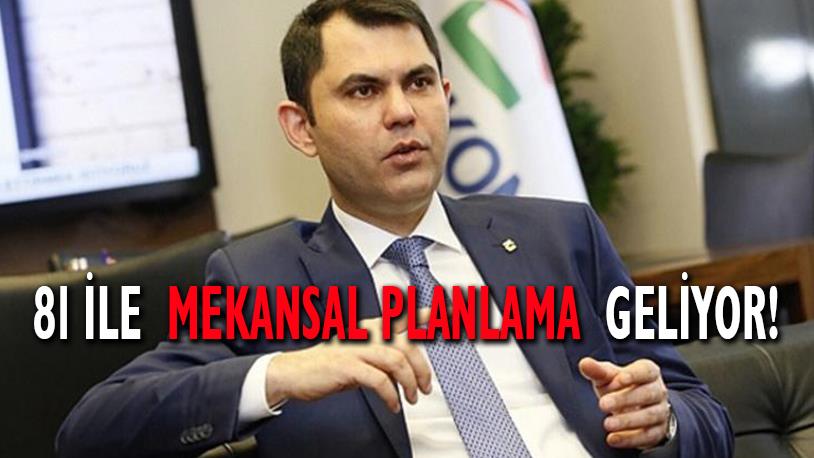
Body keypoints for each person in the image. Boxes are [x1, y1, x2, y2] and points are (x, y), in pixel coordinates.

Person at [56, 1, 733, 457]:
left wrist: (664, 421)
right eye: (363, 90)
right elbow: (92, 429)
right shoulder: (259, 278)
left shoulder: (560, 235)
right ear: (301, 128)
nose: (402, 112)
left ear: (446, 97)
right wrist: (282, 372)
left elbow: (705, 415)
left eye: (418, 83)